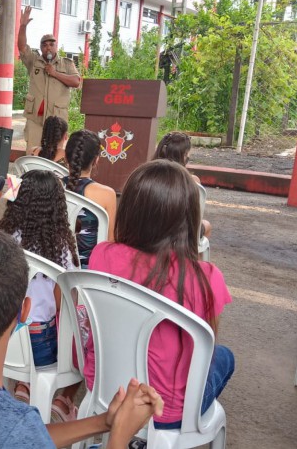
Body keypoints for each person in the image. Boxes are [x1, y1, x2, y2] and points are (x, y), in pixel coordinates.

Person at [0, 226, 164, 449]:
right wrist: (121, 433)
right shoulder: (18, 426)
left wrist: (105, 421)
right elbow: (20, 435)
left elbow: (25, 436)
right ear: (25, 311)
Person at [85, 159, 234, 429]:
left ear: (129, 210)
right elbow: (206, 346)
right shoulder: (206, 277)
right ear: (188, 218)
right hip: (169, 411)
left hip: (106, 391)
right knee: (225, 357)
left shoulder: (102, 255)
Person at [0, 170, 81, 422]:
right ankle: (61, 400)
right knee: (81, 337)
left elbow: (6, 197)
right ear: (58, 206)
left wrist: (13, 187)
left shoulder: (3, 237)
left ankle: (24, 384)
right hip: (42, 342)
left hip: (5, 337)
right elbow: (63, 305)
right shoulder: (61, 247)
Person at [18, 6, 81, 151]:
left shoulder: (66, 63)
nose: (48, 47)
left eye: (51, 44)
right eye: (45, 45)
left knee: (54, 153)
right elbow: (22, 47)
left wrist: (55, 73)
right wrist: (23, 26)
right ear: (41, 48)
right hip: (36, 119)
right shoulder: (34, 61)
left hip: (56, 120)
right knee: (33, 151)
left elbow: (76, 82)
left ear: (56, 46)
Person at [62, 130, 116, 267]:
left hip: (55, 265)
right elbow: (110, 241)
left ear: (66, 157)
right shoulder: (107, 194)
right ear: (96, 160)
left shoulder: (52, 185)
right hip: (91, 271)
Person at [153, 131, 212, 237]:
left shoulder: (144, 175)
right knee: (206, 225)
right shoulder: (192, 181)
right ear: (184, 157)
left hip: (148, 229)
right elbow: (195, 217)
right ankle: (192, 253)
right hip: (179, 234)